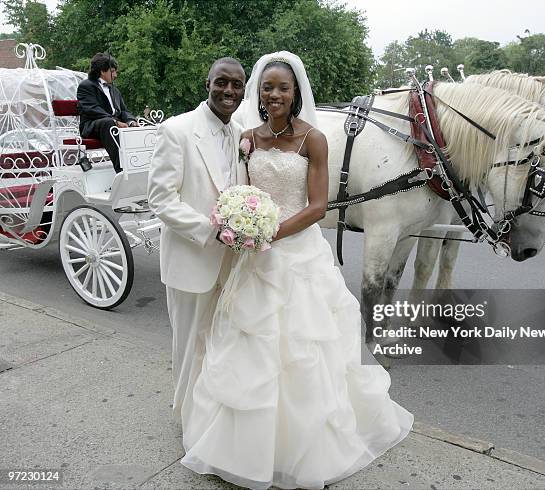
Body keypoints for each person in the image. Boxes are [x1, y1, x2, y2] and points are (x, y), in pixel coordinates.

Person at [180, 51, 413, 490]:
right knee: (251, 346)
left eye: (282, 87)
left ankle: (304, 448)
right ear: (259, 92)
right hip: (256, 256)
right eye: (267, 87)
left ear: (295, 92)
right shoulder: (246, 138)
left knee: (305, 350)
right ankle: (241, 447)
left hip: (296, 251)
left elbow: (319, 206)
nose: (274, 94)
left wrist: (271, 233)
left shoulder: (313, 139)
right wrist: (240, 224)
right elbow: (242, 192)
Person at [147, 57, 247, 428]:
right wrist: (210, 230)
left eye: (237, 85)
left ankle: (211, 420)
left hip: (233, 262)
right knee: (189, 347)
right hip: (192, 258)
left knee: (221, 343)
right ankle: (186, 420)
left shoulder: (241, 134)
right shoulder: (177, 130)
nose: (229, 91)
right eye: (222, 82)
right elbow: (161, 199)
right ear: (208, 83)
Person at [77, 53, 139, 173]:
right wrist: (115, 121)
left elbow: (123, 111)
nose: (115, 75)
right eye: (112, 71)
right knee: (108, 123)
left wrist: (131, 121)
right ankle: (121, 169)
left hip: (110, 125)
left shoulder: (114, 90)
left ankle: (138, 165)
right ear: (102, 71)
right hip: (92, 126)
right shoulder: (86, 86)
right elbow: (92, 109)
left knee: (137, 126)